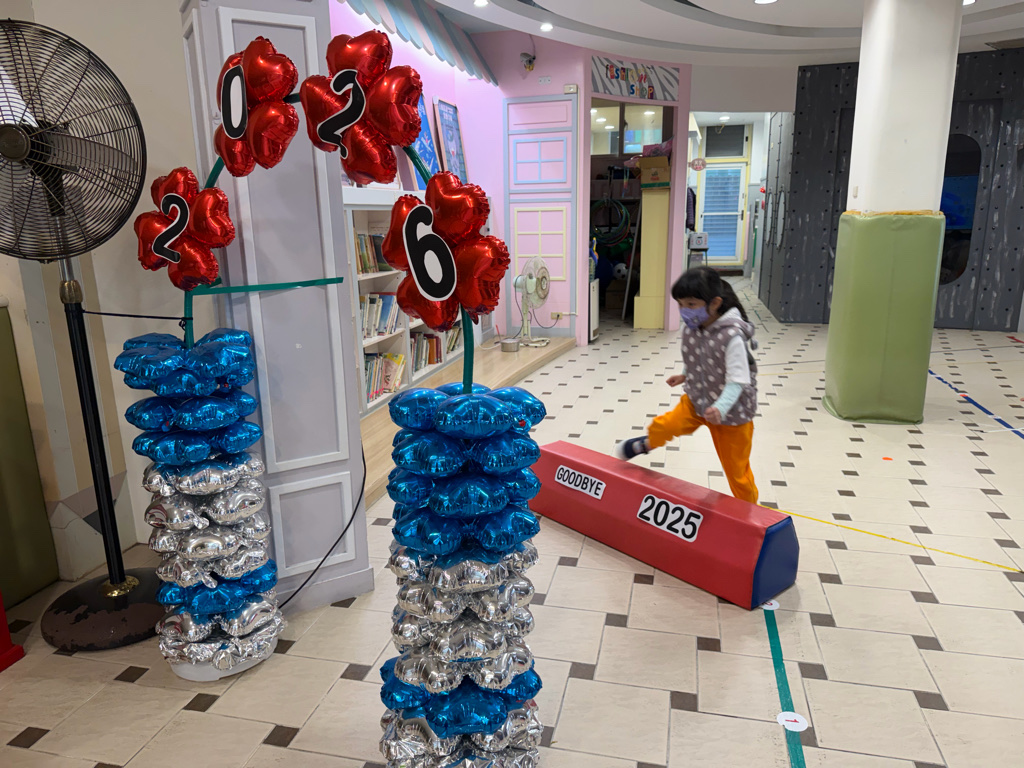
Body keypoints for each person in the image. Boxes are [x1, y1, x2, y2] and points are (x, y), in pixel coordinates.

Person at [615, 267, 759, 504]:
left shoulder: (732, 337)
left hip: (732, 415)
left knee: (737, 472)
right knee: (665, 425)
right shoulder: (694, 326)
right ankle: (645, 444)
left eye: (691, 304)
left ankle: (753, 515)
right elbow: (702, 356)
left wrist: (721, 408)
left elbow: (737, 381)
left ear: (714, 303)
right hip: (697, 401)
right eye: (680, 304)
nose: (684, 310)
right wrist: (684, 374)